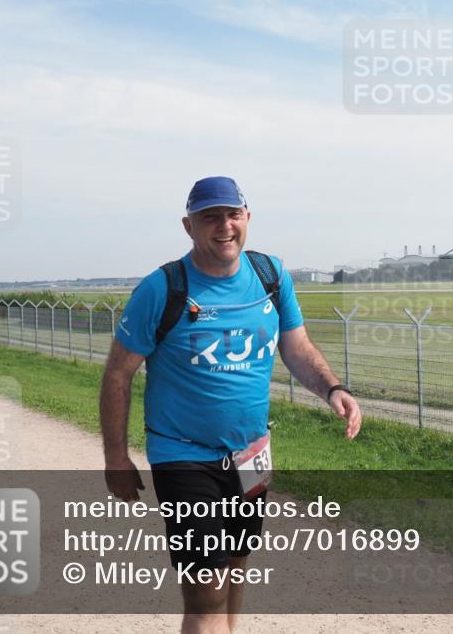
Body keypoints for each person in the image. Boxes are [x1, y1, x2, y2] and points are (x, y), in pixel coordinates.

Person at [99, 176, 361, 634]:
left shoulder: (271, 276)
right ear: (189, 226)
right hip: (182, 455)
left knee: (237, 565)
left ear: (247, 218)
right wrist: (115, 457)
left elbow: (296, 346)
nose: (224, 226)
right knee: (207, 590)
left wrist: (333, 388)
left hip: (251, 454)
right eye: (210, 217)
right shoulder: (162, 289)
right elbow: (118, 373)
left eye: (232, 214)